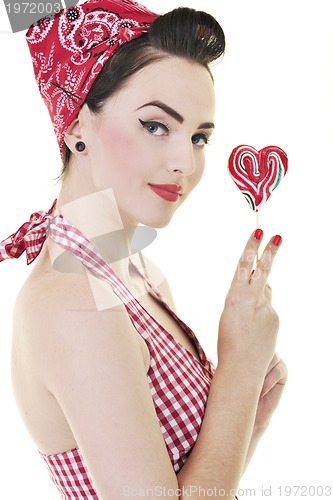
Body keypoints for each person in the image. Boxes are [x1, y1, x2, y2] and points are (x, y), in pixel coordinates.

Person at [0, 0, 287, 498]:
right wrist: (237, 372)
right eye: (156, 126)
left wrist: (248, 417)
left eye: (199, 137)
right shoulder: (75, 303)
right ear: (76, 128)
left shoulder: (137, 271)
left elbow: (197, 485)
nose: (185, 163)